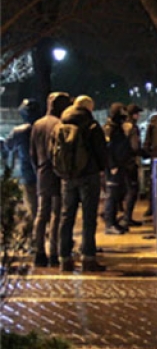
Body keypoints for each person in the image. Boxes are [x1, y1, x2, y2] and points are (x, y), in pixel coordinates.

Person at [57, 95, 108, 273]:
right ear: (88, 107)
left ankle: (64, 258)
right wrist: (102, 169)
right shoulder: (92, 126)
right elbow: (102, 151)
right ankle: (88, 257)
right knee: (88, 218)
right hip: (89, 175)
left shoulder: (61, 124)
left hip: (67, 176)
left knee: (66, 217)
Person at [29, 92, 72, 267]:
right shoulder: (59, 124)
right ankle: (54, 252)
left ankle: (39, 251)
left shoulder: (37, 124)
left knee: (41, 213)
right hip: (56, 173)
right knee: (56, 214)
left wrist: (38, 169)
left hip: (41, 172)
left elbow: (32, 152)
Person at [5, 99, 40, 224]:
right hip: (46, 174)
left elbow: (8, 146)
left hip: (28, 174)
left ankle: (37, 235)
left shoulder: (19, 131)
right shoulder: (44, 127)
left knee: (33, 207)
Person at [103, 103, 131, 235]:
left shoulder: (118, 128)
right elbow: (107, 148)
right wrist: (112, 165)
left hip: (120, 164)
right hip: (114, 167)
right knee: (112, 195)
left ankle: (113, 221)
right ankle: (109, 223)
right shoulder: (111, 128)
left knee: (118, 193)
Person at [120, 104, 144, 228]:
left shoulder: (122, 126)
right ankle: (127, 217)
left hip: (121, 163)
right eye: (137, 113)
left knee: (124, 190)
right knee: (133, 190)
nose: (139, 116)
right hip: (130, 163)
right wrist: (143, 152)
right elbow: (135, 146)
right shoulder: (133, 128)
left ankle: (122, 216)